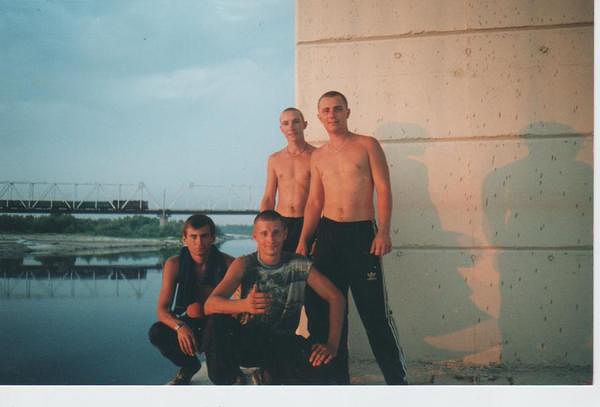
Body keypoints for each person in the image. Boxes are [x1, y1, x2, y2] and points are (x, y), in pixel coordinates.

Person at [296, 90, 408, 385]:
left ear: (347, 112)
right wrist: (304, 239)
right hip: (329, 235)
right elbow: (315, 202)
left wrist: (384, 231)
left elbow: (383, 189)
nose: (332, 115)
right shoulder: (318, 156)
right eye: (326, 110)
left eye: (337, 109)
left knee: (374, 314)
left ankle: (398, 384)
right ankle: (336, 383)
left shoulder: (367, 145)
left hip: (361, 234)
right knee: (325, 312)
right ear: (318, 116)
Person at [204, 210, 345, 384]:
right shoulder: (243, 263)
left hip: (283, 342)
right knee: (216, 322)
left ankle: (266, 374)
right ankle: (229, 382)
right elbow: (209, 305)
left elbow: (336, 297)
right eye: (264, 233)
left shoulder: (299, 264)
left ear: (285, 234)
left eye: (276, 233)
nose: (270, 239)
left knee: (326, 372)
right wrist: (244, 305)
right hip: (249, 340)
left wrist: (332, 344)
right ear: (255, 236)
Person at [148, 214, 234, 385]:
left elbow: (241, 304)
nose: (199, 242)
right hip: (189, 321)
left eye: (204, 236)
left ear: (213, 238)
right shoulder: (174, 264)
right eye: (193, 237)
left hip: (219, 323)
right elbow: (162, 310)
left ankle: (231, 368)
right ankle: (189, 366)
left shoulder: (229, 263)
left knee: (219, 378)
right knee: (157, 332)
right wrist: (179, 327)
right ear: (184, 239)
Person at [260, 107, 316, 252]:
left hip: (308, 222)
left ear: (304, 124)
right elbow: (269, 198)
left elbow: (324, 198)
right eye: (286, 123)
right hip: (281, 222)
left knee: (308, 264)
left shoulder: (317, 156)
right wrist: (262, 229)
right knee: (281, 265)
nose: (291, 127)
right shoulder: (275, 159)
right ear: (281, 129)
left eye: (296, 121)